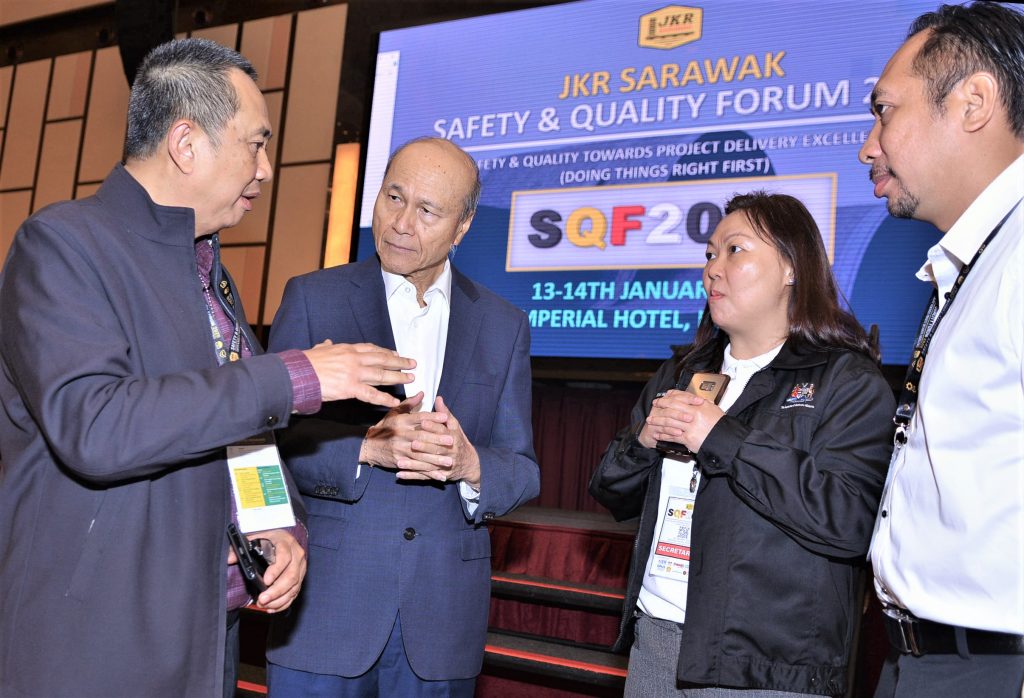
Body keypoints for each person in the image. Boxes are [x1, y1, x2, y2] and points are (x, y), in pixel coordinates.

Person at [0, 38, 414, 698]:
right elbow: (96, 426)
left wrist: (274, 522)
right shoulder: (63, 245)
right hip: (93, 642)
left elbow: (235, 430)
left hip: (198, 637)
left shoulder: (208, 275)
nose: (267, 169)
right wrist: (295, 376)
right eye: (256, 144)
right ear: (186, 143)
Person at [264, 136, 541, 696]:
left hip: (441, 618)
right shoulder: (314, 298)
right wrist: (367, 448)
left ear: (462, 227)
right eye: (394, 197)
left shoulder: (502, 325)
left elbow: (523, 469)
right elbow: (266, 440)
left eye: (427, 211)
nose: (400, 223)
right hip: (326, 609)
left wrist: (469, 464)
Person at [590, 192, 895, 697]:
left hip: (765, 665)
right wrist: (643, 442)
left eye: (735, 250)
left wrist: (721, 438)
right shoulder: (684, 372)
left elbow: (849, 522)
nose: (713, 268)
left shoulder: (846, 380)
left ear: (792, 267)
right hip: (657, 638)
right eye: (710, 254)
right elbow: (611, 493)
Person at [859, 3, 1024, 696]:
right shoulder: (978, 260)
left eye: (885, 112)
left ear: (973, 103)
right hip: (924, 659)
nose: (868, 147)